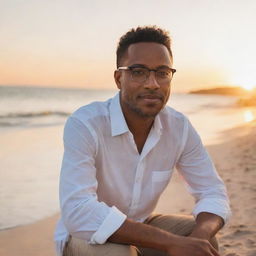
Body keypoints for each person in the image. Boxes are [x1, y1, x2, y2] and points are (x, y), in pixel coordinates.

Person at [54, 26, 231, 256]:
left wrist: (197, 240)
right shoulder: (86, 124)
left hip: (142, 224)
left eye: (162, 72)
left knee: (202, 243)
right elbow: (78, 211)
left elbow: (212, 192)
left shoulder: (179, 127)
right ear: (119, 78)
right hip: (85, 236)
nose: (152, 84)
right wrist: (170, 243)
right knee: (118, 254)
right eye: (138, 72)